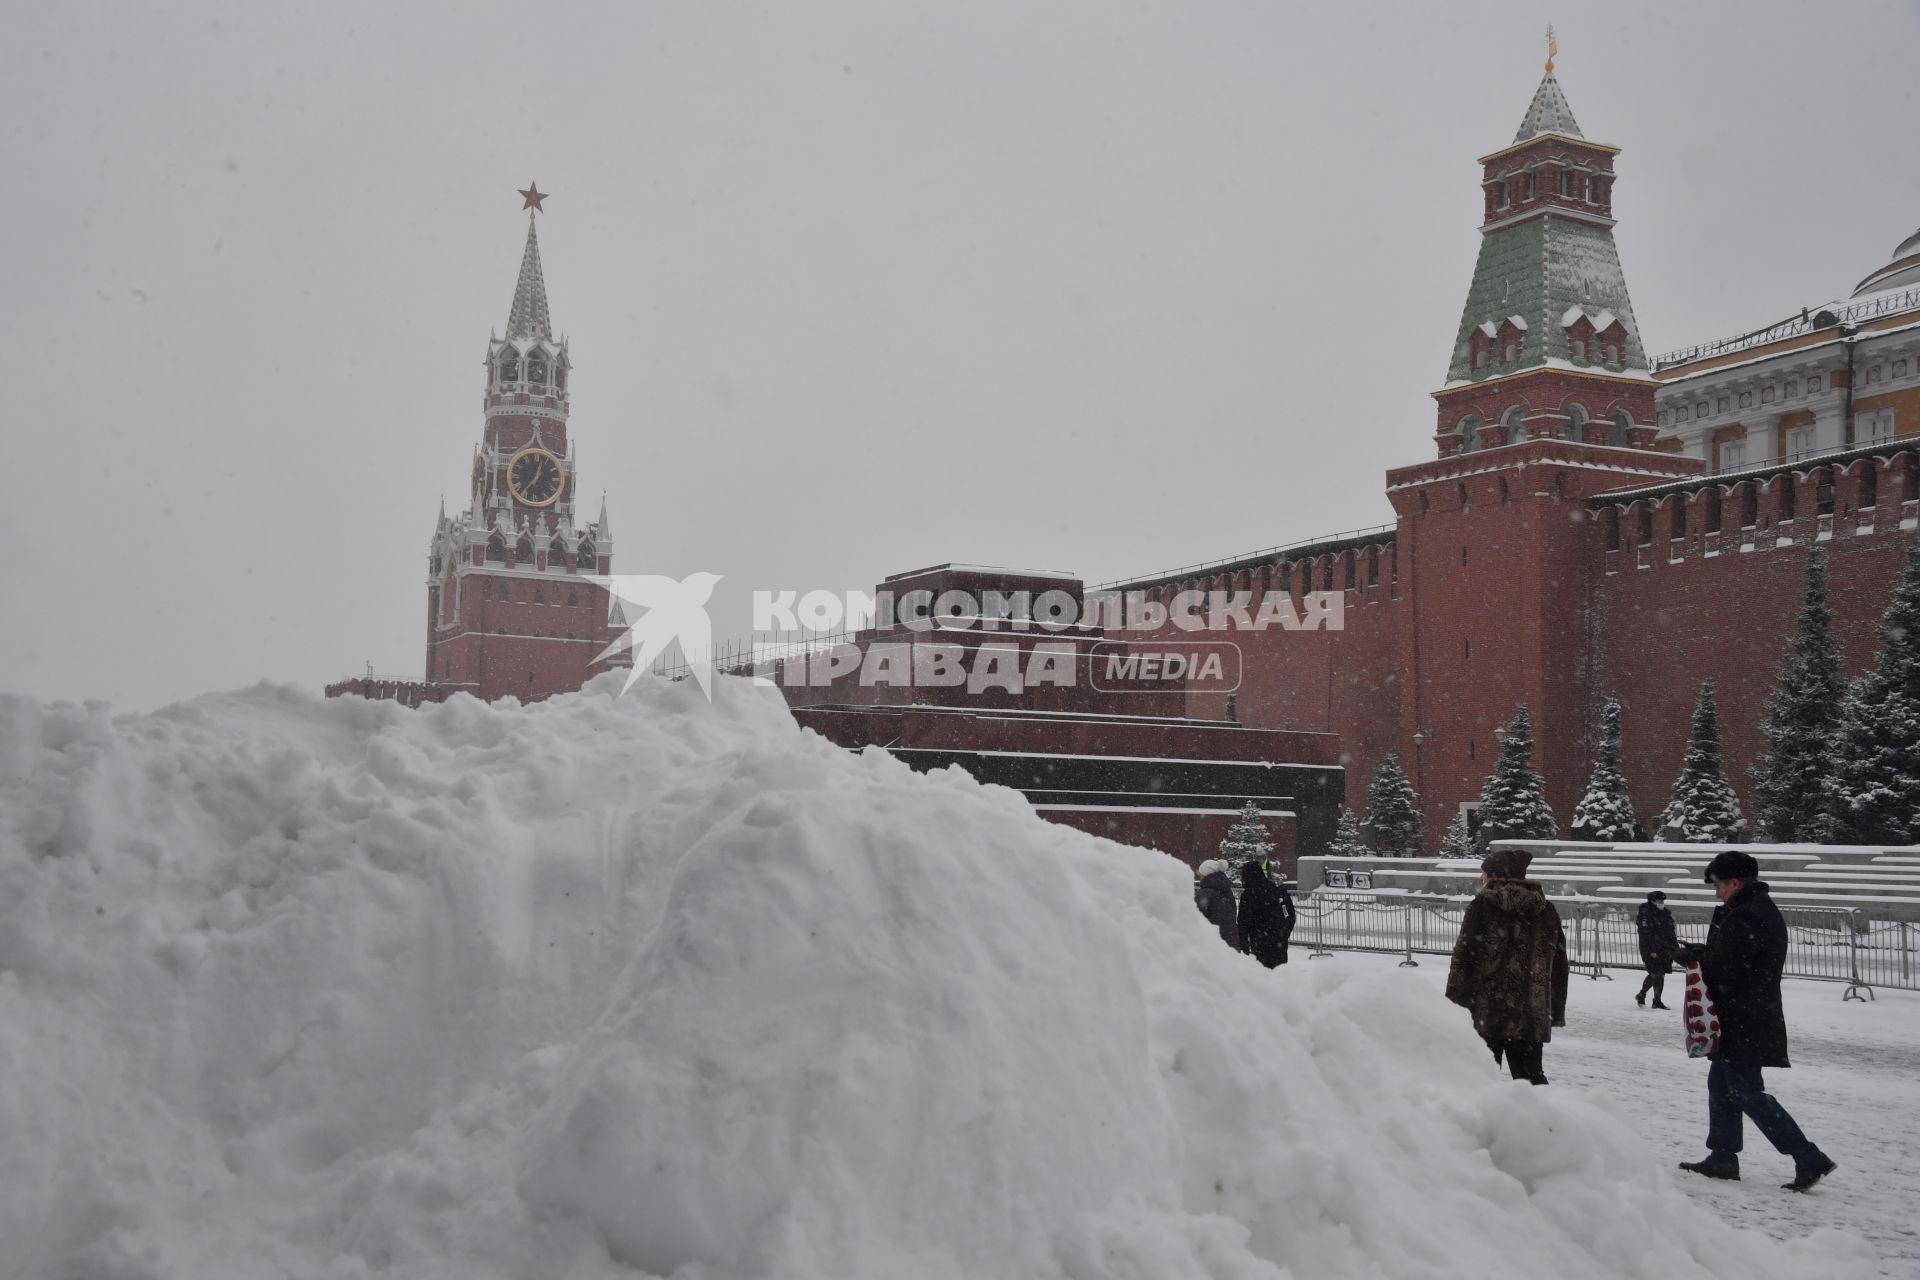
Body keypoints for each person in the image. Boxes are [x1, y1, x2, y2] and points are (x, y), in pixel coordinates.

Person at [1675, 850, 1837, 1192]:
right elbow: (1729, 959)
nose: (1716, 892)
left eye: (1718, 885)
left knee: (1745, 1092)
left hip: (1745, 1018)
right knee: (1721, 1086)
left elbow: (1730, 969)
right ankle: (1722, 1156)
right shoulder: (1747, 910)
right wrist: (1702, 954)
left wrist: (1695, 958)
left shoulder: (1748, 915)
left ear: (1734, 883)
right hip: (1745, 1015)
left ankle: (1807, 1156)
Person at [1444, 848, 1569, 1085]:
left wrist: (1453, 1005)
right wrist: (1554, 1010)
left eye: (1485, 873)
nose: (1482, 878)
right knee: (1532, 1082)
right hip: (1530, 1013)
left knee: (1479, 1081)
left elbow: (1463, 960)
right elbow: (1559, 965)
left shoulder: (1482, 906)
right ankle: (1542, 1122)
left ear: (1497, 875)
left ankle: (1487, 1122)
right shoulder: (1546, 909)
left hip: (1486, 1011)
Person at [1237, 854, 1296, 968]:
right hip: (1279, 941)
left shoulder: (1249, 894)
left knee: (1263, 976)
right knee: (1280, 974)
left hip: (1259, 942)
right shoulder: (1277, 890)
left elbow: (1243, 921)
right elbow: (1290, 915)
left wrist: (1244, 941)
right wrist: (1284, 933)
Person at [1635, 890, 1678, 1009]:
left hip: (1664, 947)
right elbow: (1645, 934)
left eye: (1663, 901)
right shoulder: (1645, 914)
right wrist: (1651, 950)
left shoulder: (1665, 913)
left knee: (1659, 974)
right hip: (1651, 948)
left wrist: (1675, 948)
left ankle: (1643, 994)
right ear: (1652, 901)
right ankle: (1656, 1000)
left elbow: (1670, 932)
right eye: (1660, 901)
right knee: (1656, 973)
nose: (1662, 903)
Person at [1193, 859, 1241, 951]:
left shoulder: (1205, 894)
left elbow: (1196, 920)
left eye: (1201, 875)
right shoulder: (1227, 891)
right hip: (1230, 940)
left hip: (1212, 945)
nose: (1200, 878)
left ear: (1206, 875)